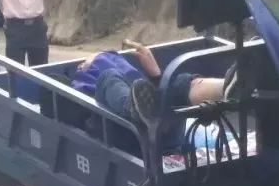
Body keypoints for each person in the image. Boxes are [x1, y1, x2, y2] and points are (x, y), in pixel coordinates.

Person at [72, 39, 229, 149]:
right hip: (123, 133)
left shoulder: (140, 86)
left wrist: (156, 75)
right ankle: (133, 108)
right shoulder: (84, 86)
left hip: (159, 135)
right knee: (109, 76)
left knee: (178, 82)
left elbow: (155, 96)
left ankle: (229, 86)